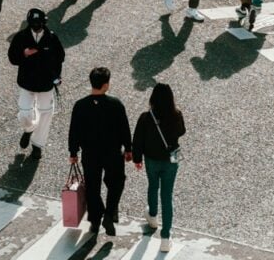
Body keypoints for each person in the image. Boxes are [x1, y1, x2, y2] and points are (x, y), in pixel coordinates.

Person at [68, 66, 133, 237]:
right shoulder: (115, 104)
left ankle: (96, 220)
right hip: (112, 152)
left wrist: (73, 152)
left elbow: (74, 131)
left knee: (92, 187)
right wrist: (128, 148)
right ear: (105, 85)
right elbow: (124, 128)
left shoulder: (80, 105)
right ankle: (110, 214)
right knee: (116, 182)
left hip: (90, 153)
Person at [132, 82, 186, 251]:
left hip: (151, 159)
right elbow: (182, 131)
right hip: (170, 160)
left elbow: (138, 139)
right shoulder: (176, 114)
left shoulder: (147, 117)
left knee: (153, 186)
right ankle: (165, 236)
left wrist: (137, 158)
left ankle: (153, 216)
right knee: (167, 195)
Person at [8, 8, 65, 160]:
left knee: (46, 113)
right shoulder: (21, 37)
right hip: (27, 82)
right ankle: (29, 129)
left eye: (39, 23)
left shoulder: (52, 38)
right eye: (33, 24)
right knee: (24, 113)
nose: (36, 27)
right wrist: (24, 54)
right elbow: (12, 58)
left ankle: (37, 146)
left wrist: (57, 76)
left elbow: (60, 58)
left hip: (46, 83)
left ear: (44, 23)